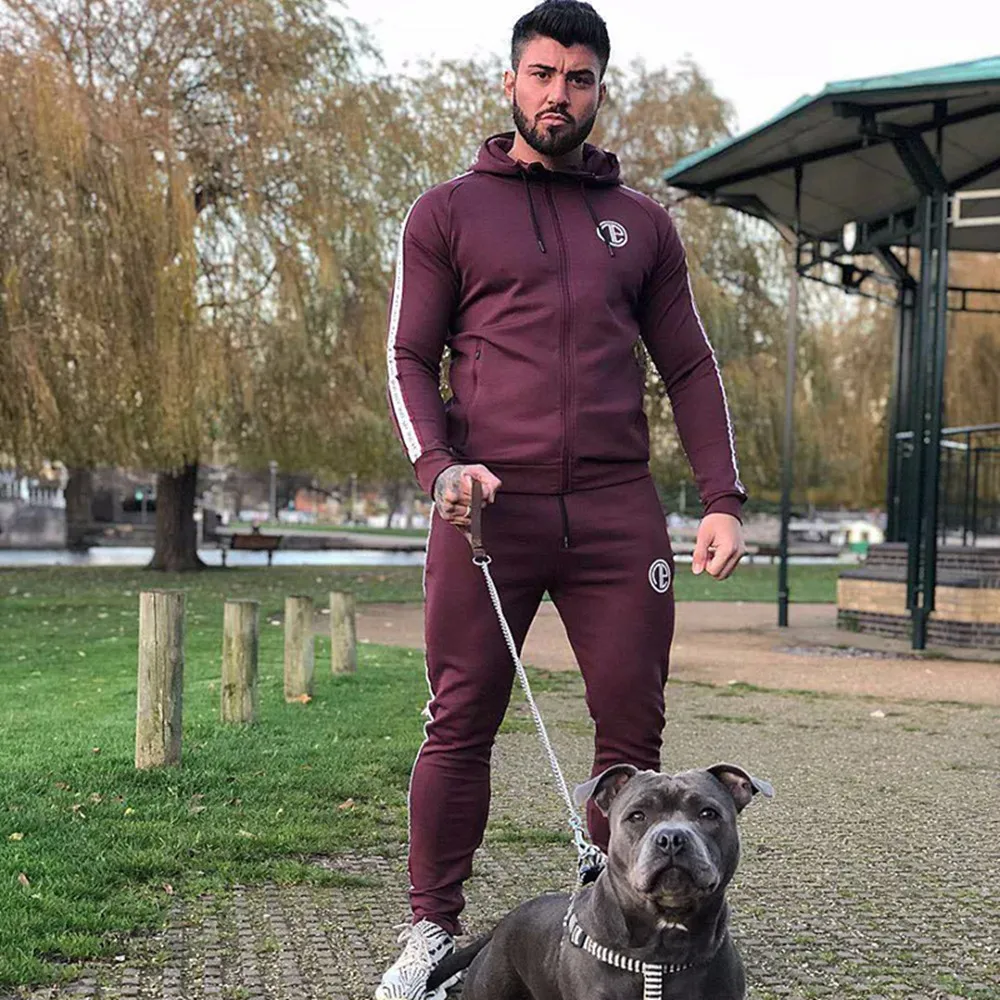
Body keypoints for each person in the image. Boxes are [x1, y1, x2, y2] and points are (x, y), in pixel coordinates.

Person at [377, 2, 746, 997]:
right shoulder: (447, 212)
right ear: (510, 83)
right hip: (487, 510)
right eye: (542, 74)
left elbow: (689, 365)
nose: (558, 94)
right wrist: (439, 467)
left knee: (632, 737)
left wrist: (721, 496)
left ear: (598, 91)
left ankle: (615, 913)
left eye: (578, 78)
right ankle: (430, 930)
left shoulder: (644, 225)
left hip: (619, 511)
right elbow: (408, 357)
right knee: (460, 718)